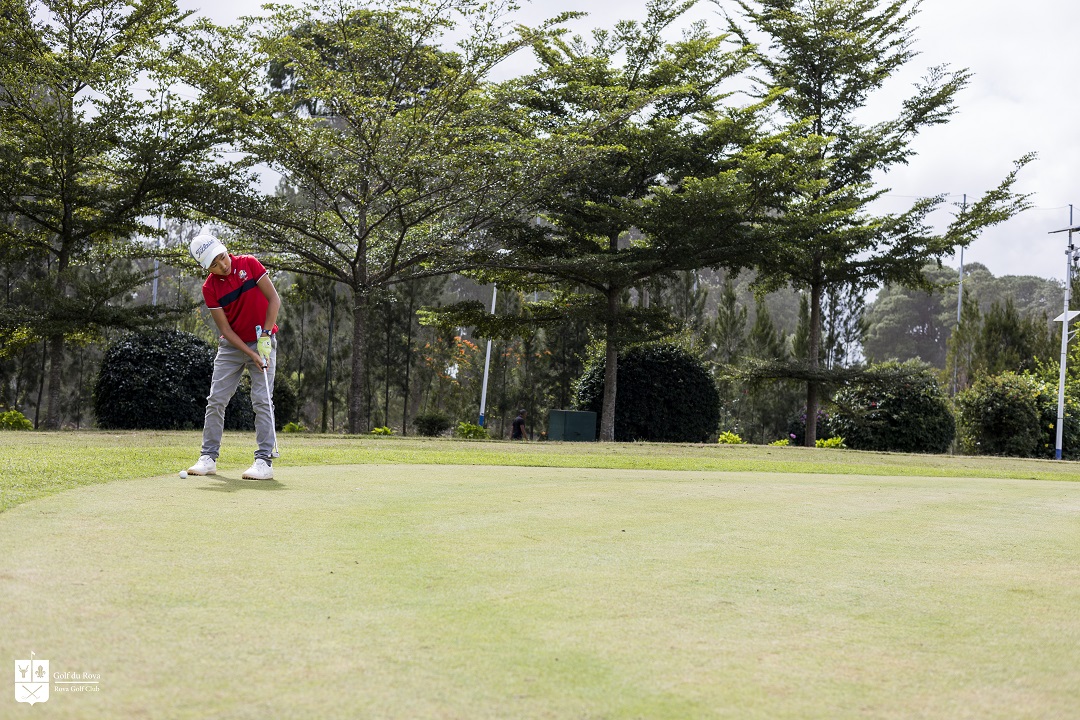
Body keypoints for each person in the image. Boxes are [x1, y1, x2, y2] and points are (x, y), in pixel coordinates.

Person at [185, 233, 281, 480]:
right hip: (232, 346)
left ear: (226, 250)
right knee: (216, 399)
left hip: (262, 339)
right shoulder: (210, 288)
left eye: (222, 257)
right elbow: (226, 331)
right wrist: (250, 353)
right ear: (206, 268)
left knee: (262, 400)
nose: (223, 265)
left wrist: (265, 336)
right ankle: (208, 457)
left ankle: (264, 461)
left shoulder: (249, 263)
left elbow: (274, 299)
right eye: (214, 264)